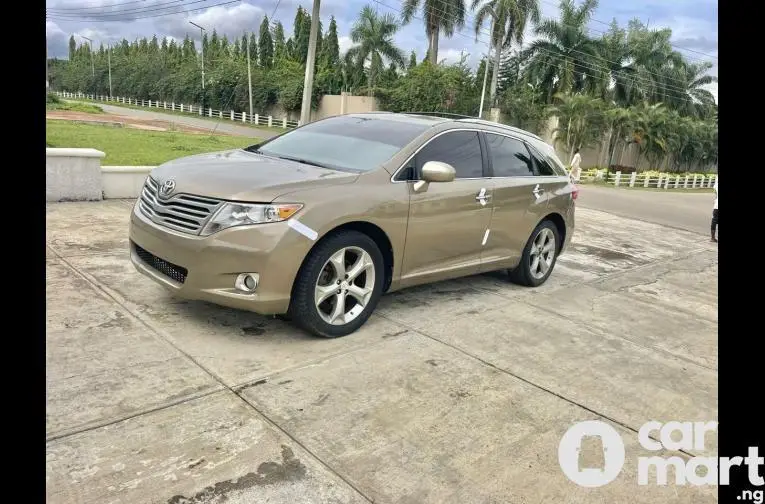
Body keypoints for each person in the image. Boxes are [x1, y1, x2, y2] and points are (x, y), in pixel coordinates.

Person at [710, 178, 718, 242]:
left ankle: (712, 238)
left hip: (716, 206)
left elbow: (715, 193)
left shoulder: (716, 185)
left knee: (714, 221)